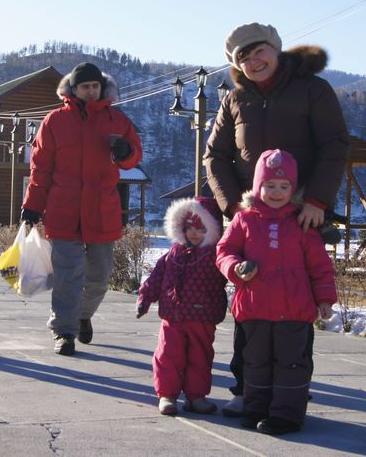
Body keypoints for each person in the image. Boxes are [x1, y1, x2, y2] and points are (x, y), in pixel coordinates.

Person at [204, 22, 349, 416]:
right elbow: (214, 157)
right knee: (249, 301)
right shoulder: (234, 99)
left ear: (275, 49)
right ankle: (245, 388)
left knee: (294, 305)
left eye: (259, 52)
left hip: (301, 213)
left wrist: (318, 200)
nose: (254, 61)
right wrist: (234, 206)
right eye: (244, 58)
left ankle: (292, 385)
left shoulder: (313, 90)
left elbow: (334, 145)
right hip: (250, 214)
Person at [20, 62, 142, 356]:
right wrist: (32, 206)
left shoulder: (117, 121)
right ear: (73, 89)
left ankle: (82, 314)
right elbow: (41, 169)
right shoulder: (54, 121)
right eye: (85, 87)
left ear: (102, 88)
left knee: (99, 278)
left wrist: (126, 153)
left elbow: (134, 156)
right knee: (67, 275)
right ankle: (63, 331)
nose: (90, 91)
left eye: (95, 86)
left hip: (102, 210)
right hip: (64, 210)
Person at [216, 149, 336, 435]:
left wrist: (325, 299)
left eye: (284, 187)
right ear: (258, 186)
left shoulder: (302, 222)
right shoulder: (244, 219)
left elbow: (320, 265)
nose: (277, 192)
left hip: (294, 310)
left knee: (291, 363)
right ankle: (256, 407)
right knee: (255, 362)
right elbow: (224, 250)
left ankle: (286, 415)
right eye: (270, 185)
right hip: (255, 307)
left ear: (293, 189)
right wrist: (235, 268)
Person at [136, 196, 228, 416]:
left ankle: (197, 396)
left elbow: (230, 270)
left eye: (201, 228)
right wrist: (145, 298)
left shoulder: (216, 255)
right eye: (189, 228)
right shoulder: (174, 253)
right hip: (173, 316)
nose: (194, 233)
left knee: (200, 358)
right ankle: (167, 394)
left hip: (203, 316)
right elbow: (156, 277)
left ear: (213, 229)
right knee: (168, 355)